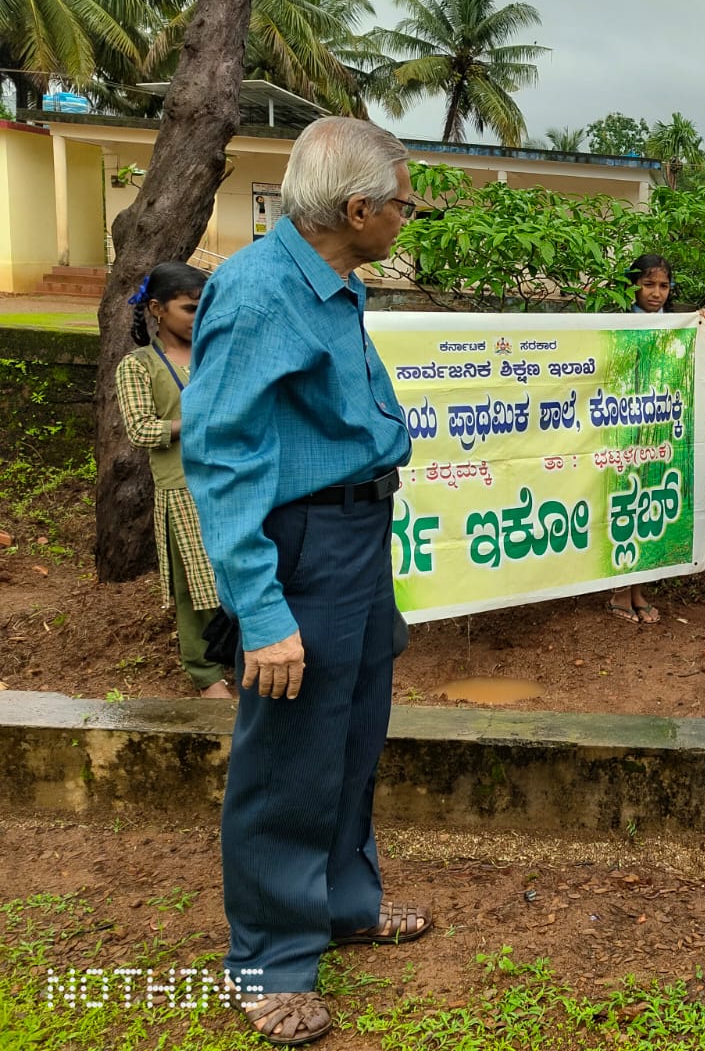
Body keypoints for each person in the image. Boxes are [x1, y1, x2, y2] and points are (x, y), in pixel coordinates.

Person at [183, 117, 428, 1046]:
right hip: (304, 544)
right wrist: (263, 609)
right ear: (357, 207)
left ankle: (343, 904)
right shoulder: (256, 294)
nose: (406, 218)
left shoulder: (332, 282)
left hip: (359, 537)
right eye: (402, 204)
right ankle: (269, 961)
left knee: (354, 733)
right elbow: (222, 459)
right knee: (289, 751)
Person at [113, 262, 232, 699]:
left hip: (231, 483)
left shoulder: (214, 352)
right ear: (157, 309)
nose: (198, 318)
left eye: (204, 309)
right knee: (194, 589)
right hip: (182, 489)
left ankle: (239, 655)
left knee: (233, 576)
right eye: (189, 309)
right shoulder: (138, 366)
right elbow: (142, 429)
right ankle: (205, 673)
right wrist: (196, 421)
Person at [608, 253, 705, 625]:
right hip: (623, 427)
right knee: (624, 501)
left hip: (660, 428)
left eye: (663, 286)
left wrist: (699, 332)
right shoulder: (616, 321)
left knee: (648, 502)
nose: (656, 293)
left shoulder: (674, 323)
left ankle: (639, 590)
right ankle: (620, 591)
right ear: (632, 285)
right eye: (648, 284)